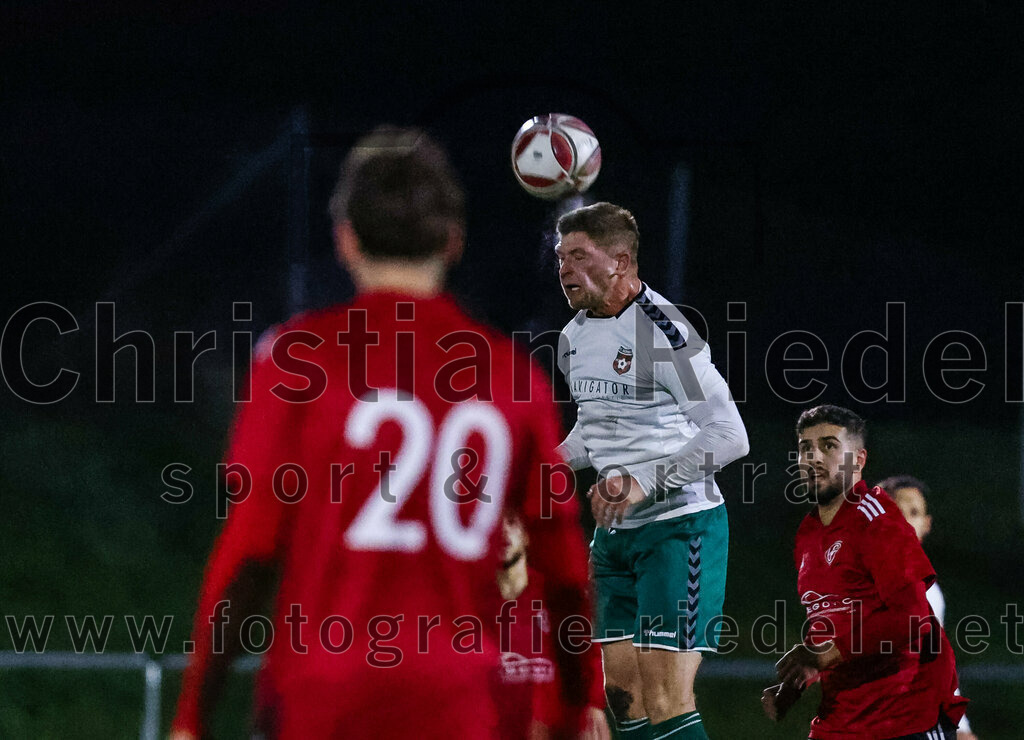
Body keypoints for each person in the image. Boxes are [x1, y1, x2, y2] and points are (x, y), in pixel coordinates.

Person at [171, 127, 609, 739]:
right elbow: (562, 573)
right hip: (460, 708)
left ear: (344, 238)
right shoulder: (515, 379)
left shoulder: (296, 360)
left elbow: (250, 552)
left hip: (321, 701)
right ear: (454, 242)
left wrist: (194, 712)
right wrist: (577, 704)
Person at [553, 202, 749, 740]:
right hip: (615, 538)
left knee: (666, 700)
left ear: (619, 261)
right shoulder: (573, 340)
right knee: (622, 697)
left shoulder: (666, 334)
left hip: (681, 531)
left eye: (578, 256)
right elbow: (594, 432)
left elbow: (730, 436)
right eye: (559, 257)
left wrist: (642, 481)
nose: (564, 269)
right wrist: (548, 466)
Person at [764, 405, 968, 739]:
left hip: (905, 719)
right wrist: (797, 682)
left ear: (858, 459)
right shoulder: (808, 535)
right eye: (805, 448)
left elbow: (911, 617)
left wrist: (828, 653)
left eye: (829, 446)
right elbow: (830, 622)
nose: (814, 456)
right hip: (842, 721)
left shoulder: (878, 519)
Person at [877, 475, 978, 740]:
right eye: (894, 510)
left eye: (914, 512)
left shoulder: (929, 591)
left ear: (926, 524)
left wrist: (962, 726)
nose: (904, 519)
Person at [492, 515, 606, 739]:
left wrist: (593, 706)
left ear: (527, 536)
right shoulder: (470, 601)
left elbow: (588, 652)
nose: (504, 532)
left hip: (555, 729)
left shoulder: (555, 596)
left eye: (512, 523)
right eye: (496, 526)